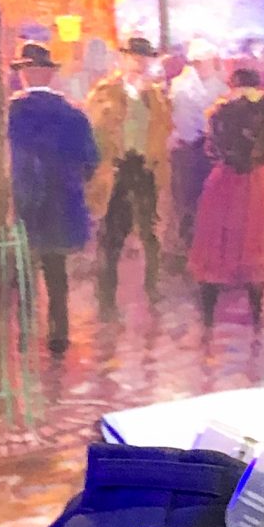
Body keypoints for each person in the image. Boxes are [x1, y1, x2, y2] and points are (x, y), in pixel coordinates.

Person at [7, 41, 100, 359]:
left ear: (24, 75)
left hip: (23, 202)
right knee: (56, 272)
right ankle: (58, 336)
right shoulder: (73, 113)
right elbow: (90, 159)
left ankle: (24, 334)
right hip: (61, 202)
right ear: (49, 76)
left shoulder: (10, 112)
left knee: (24, 272)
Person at [191, 64, 264, 333]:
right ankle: (255, 313)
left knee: (217, 240)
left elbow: (213, 146)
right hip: (254, 181)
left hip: (227, 180)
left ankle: (209, 315)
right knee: (254, 239)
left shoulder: (222, 110)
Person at [87, 34, 171, 317]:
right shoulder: (106, 91)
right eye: (134, 57)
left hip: (145, 169)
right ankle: (107, 295)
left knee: (150, 231)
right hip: (118, 169)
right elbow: (97, 129)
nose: (139, 62)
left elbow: (164, 130)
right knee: (112, 234)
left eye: (144, 58)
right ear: (123, 59)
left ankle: (152, 288)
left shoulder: (155, 95)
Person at [168, 38, 222, 258]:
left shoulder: (216, 84)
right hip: (191, 150)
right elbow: (185, 121)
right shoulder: (183, 86)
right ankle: (191, 250)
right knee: (190, 201)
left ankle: (200, 249)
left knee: (202, 202)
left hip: (205, 150)